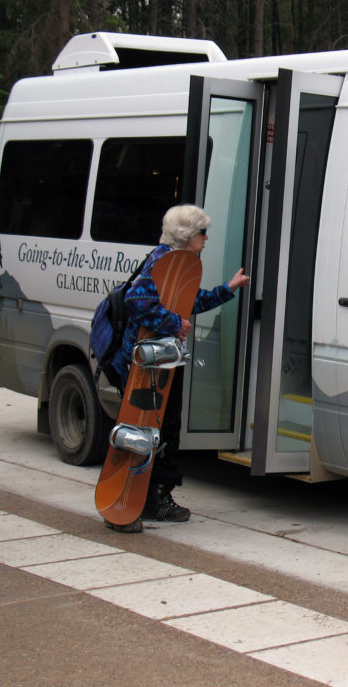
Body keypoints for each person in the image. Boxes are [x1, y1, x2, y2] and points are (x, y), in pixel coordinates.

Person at [106, 204, 249, 533]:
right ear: (187, 235)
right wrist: (174, 323)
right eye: (202, 232)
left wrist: (228, 289)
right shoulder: (162, 259)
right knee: (141, 432)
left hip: (164, 362)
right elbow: (136, 302)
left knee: (165, 432)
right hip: (146, 366)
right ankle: (121, 503)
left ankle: (157, 498)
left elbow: (190, 303)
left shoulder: (181, 262)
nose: (206, 237)